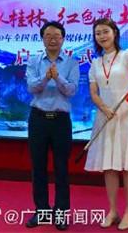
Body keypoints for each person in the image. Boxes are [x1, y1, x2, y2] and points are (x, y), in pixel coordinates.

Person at [84, 18, 128, 231]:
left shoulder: (126, 56)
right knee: (109, 168)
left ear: (114, 33)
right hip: (105, 117)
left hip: (125, 117)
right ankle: (112, 210)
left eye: (105, 31)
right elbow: (94, 92)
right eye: (98, 33)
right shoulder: (95, 64)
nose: (102, 36)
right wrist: (104, 108)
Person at [25, 21, 80, 231]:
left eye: (57, 36)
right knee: (38, 167)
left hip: (61, 121)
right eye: (48, 36)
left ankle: (61, 213)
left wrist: (57, 78)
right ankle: (42, 211)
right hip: (38, 119)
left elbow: (72, 90)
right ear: (42, 39)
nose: (52, 39)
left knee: (61, 168)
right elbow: (32, 87)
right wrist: (45, 77)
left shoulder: (72, 63)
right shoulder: (34, 61)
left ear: (63, 39)